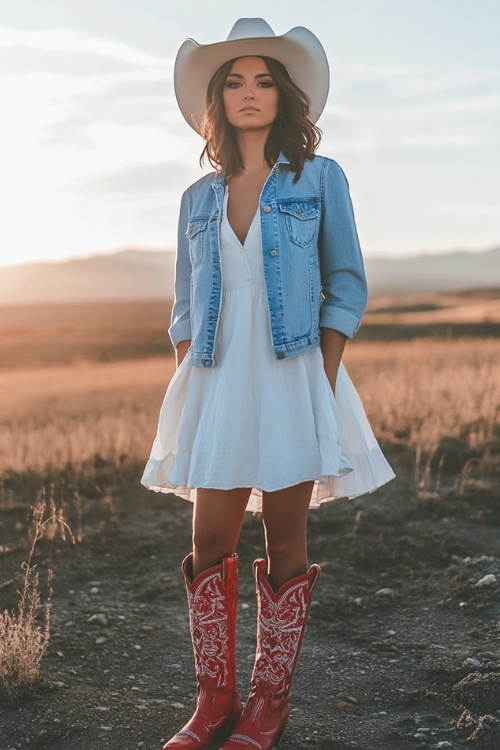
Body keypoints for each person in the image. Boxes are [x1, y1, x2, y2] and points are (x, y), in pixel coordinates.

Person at [141, 18, 395, 750]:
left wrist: (323, 372)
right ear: (216, 100)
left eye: (263, 81)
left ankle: (268, 706)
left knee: (287, 536)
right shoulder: (196, 198)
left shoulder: (320, 178)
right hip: (219, 378)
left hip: (295, 370)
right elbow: (185, 304)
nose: (249, 93)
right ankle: (212, 704)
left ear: (285, 97)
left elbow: (346, 281)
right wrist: (193, 378)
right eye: (234, 81)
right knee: (210, 534)